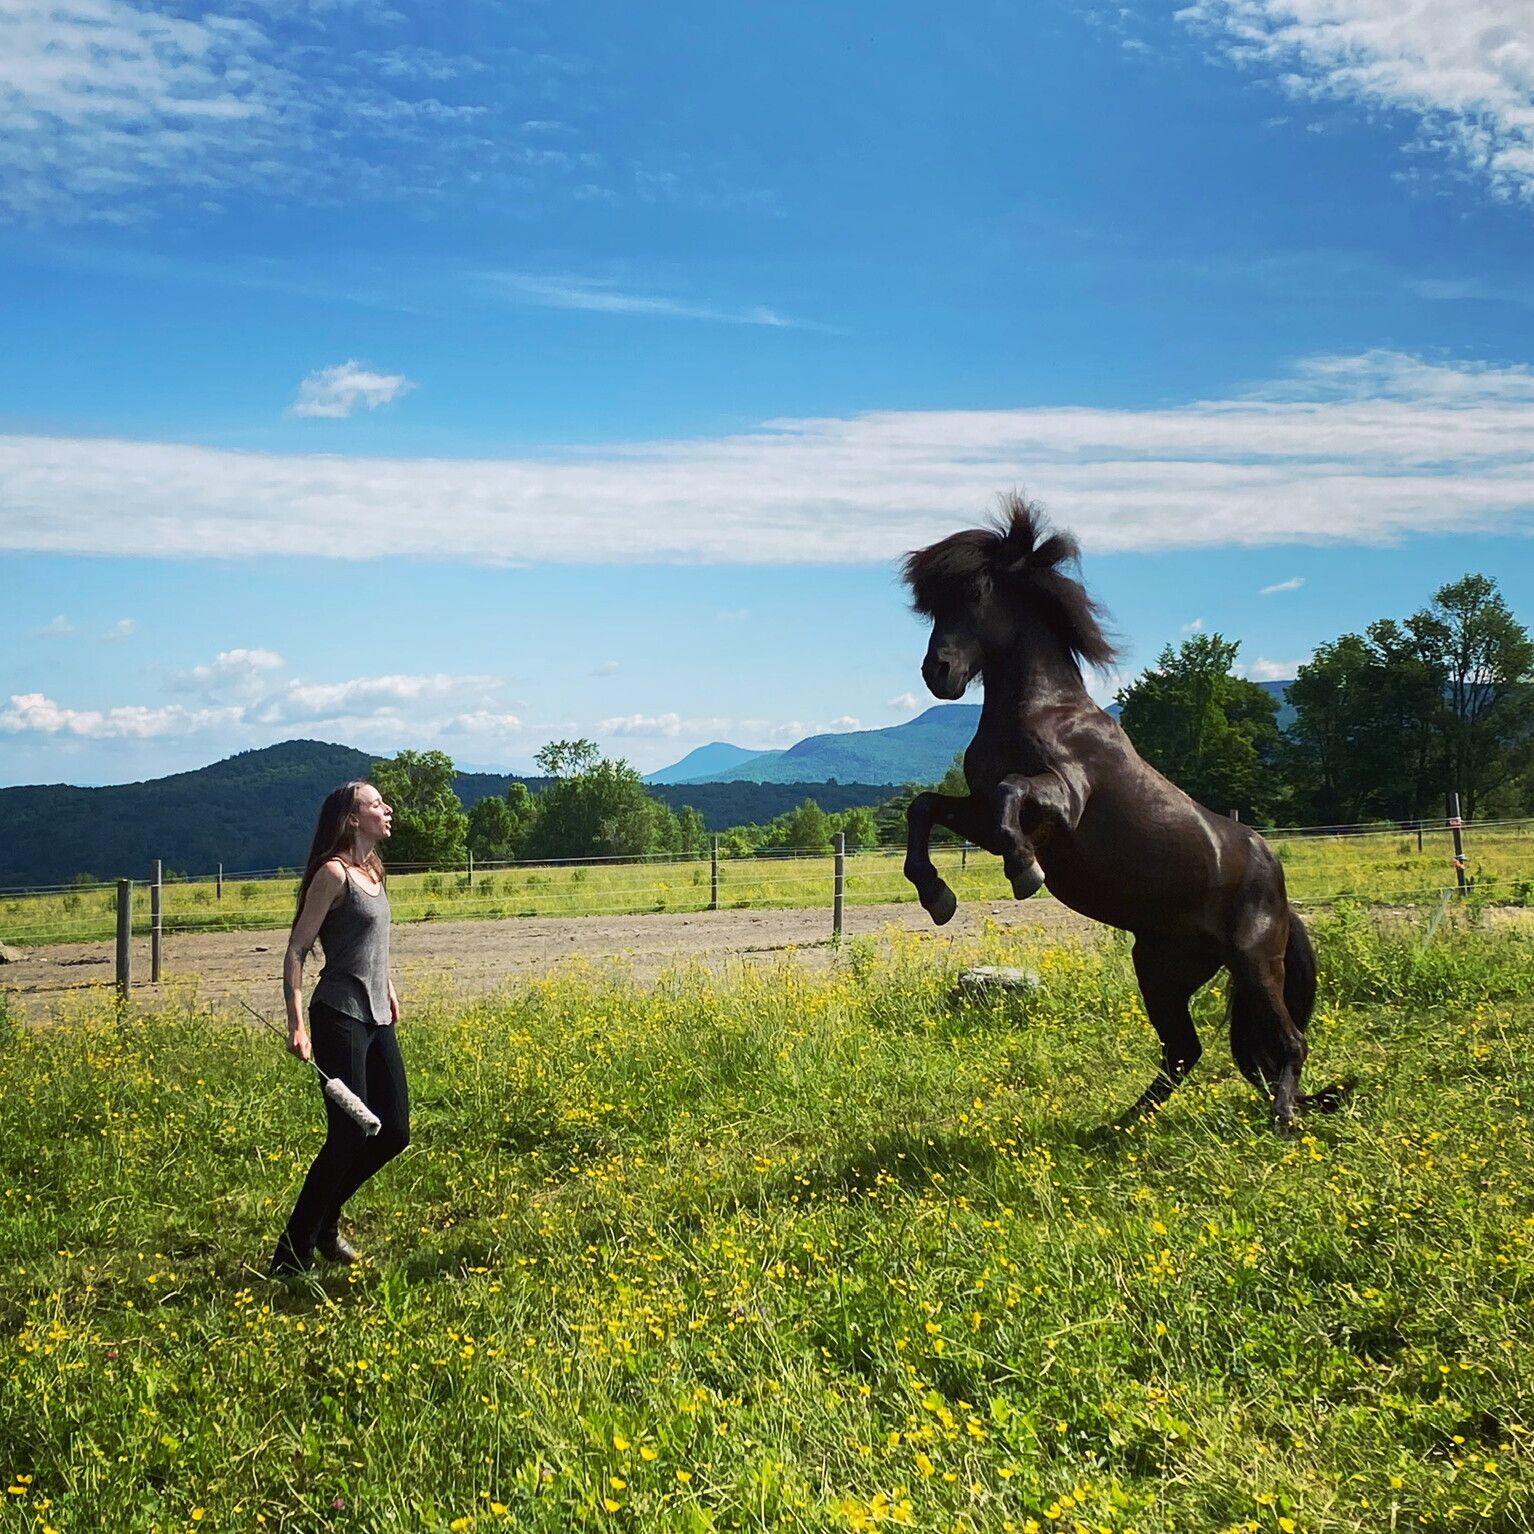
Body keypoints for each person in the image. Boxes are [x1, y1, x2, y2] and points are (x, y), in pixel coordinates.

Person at [270, 780, 409, 1276]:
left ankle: (324, 1221)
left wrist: (387, 984)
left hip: (375, 1014)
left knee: (394, 1132)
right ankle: (294, 1251)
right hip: (339, 1015)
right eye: (375, 804)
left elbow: (369, 942)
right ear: (352, 819)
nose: (386, 809)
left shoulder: (373, 870)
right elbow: (296, 950)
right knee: (349, 1135)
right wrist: (297, 1023)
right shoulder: (333, 874)